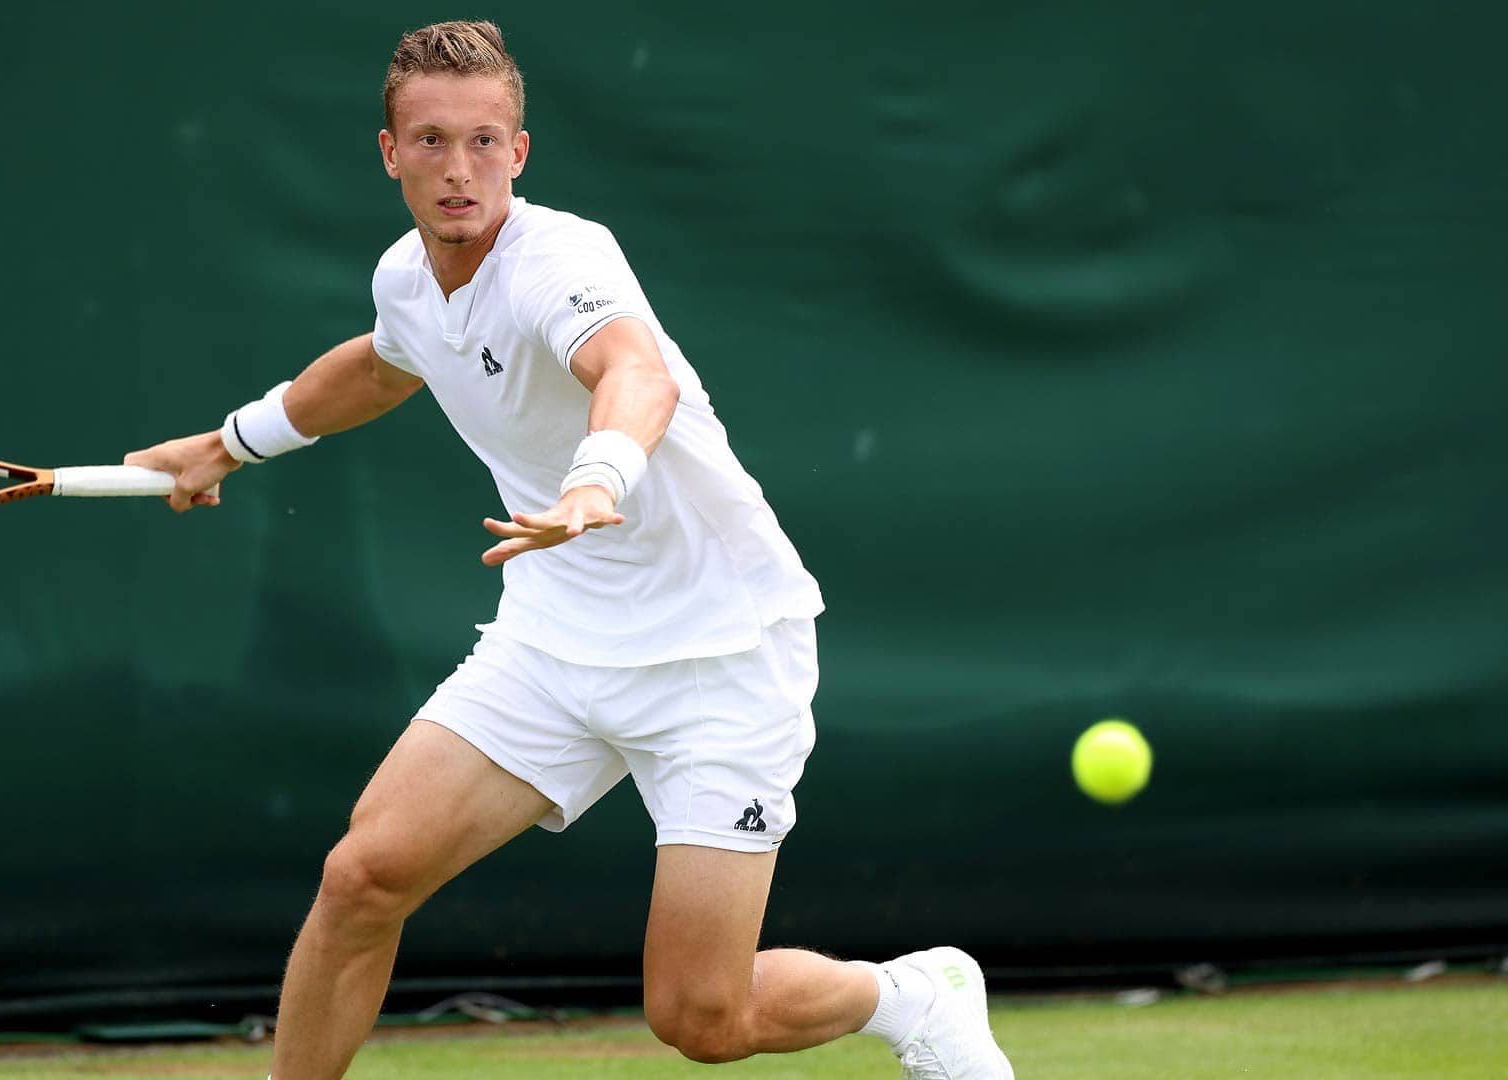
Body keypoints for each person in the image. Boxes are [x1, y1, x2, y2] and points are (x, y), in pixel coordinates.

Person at [124, 20, 1014, 1080]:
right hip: (554, 641)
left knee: (702, 1020)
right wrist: (230, 444)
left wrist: (597, 481)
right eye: (434, 141)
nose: (461, 170)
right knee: (364, 876)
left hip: (719, 655)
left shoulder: (563, 259)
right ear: (389, 153)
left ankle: (915, 996)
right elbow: (382, 364)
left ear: (520, 152)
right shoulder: (408, 278)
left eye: (486, 141)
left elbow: (636, 373)